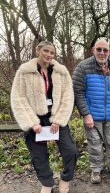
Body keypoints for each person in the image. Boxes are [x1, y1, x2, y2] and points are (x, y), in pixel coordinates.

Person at [10, 41, 78, 193]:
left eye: (52, 53)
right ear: (37, 51)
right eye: (46, 51)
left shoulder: (61, 72)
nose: (49, 55)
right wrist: (32, 123)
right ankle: (47, 183)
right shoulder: (24, 71)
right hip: (34, 117)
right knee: (38, 155)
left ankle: (65, 178)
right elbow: (18, 98)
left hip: (55, 117)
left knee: (71, 150)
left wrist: (59, 120)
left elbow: (68, 97)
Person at [72, 38, 110, 184]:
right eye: (99, 49)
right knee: (95, 145)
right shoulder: (83, 67)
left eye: (105, 50)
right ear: (93, 50)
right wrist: (86, 114)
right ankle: (96, 170)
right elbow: (77, 93)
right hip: (92, 116)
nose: (102, 53)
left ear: (109, 51)